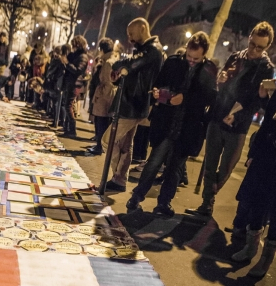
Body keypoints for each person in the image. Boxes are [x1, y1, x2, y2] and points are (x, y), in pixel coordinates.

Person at [188, 22, 274, 217]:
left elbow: (259, 102)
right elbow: (222, 82)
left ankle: (212, 190)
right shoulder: (236, 57)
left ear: (266, 48)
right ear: (250, 38)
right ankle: (206, 203)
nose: (254, 49)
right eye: (252, 44)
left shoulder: (266, 68)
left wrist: (240, 114)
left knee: (227, 168)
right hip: (218, 116)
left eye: (260, 47)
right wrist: (221, 79)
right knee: (210, 163)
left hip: (239, 125)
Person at [126, 32, 217, 216]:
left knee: (174, 169)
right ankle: (136, 197)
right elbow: (158, 84)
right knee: (153, 163)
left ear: (204, 55)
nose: (191, 61)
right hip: (166, 122)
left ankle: (164, 203)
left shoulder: (209, 70)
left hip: (188, 127)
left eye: (195, 59)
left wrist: (185, 98)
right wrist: (158, 93)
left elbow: (209, 97)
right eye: (189, 57)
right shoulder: (174, 62)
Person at [230, 45, 276, 277]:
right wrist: (253, 154)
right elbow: (268, 123)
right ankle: (250, 247)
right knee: (258, 202)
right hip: (268, 155)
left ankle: (266, 258)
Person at [102, 17, 163, 192]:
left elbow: (130, 64)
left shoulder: (152, 50)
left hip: (134, 104)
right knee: (125, 144)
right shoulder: (146, 50)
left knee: (108, 141)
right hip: (132, 102)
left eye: (131, 33)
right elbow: (130, 69)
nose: (129, 37)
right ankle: (120, 179)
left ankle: (117, 175)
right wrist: (120, 74)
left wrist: (119, 66)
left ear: (142, 28)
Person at [86, 38, 118, 156]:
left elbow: (108, 82)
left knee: (102, 121)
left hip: (105, 96)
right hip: (105, 95)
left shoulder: (109, 62)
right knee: (101, 121)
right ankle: (99, 145)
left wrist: (101, 94)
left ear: (102, 49)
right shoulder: (107, 60)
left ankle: (100, 146)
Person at [61, 35, 89, 137]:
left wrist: (67, 63)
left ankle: (72, 130)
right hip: (70, 82)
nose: (73, 47)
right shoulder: (74, 55)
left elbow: (78, 71)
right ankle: (67, 129)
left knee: (68, 106)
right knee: (68, 105)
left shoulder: (83, 57)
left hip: (75, 84)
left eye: (74, 45)